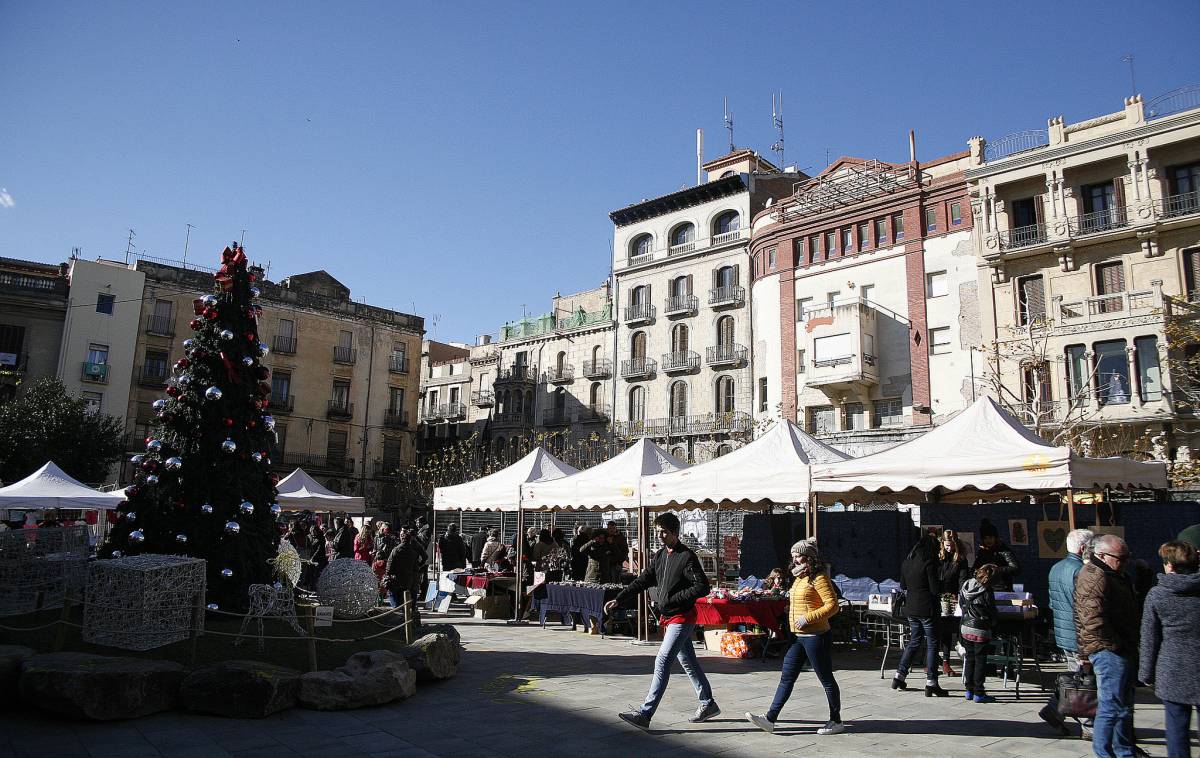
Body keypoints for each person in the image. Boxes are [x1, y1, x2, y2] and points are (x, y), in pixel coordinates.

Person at [605, 512, 719, 730]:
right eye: (658, 531)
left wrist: (675, 599)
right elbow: (642, 581)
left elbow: (702, 586)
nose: (660, 535)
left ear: (675, 532)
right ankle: (707, 703)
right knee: (688, 661)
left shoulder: (687, 556)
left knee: (662, 660)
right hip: (671, 617)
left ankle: (645, 713)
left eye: (664, 531)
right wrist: (619, 599)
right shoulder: (660, 556)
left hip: (682, 616)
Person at [746, 539, 844, 735]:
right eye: (793, 557)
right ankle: (770, 718)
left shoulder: (819, 577)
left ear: (809, 557)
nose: (795, 560)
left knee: (826, 678)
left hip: (816, 635)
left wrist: (807, 617)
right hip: (798, 636)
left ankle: (836, 721)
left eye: (798, 556)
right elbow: (804, 601)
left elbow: (832, 605)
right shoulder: (798, 578)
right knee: (786, 677)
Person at [1076, 533, 1139, 757]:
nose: (1124, 562)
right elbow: (1091, 620)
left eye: (1126, 557)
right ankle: (1105, 753)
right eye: (1120, 558)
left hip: (1121, 646)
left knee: (1122, 707)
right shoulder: (1095, 576)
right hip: (1109, 650)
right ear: (1101, 555)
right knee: (1111, 708)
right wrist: (1115, 646)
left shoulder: (1113, 573)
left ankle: (1124, 751)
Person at [1140, 540, 1200, 758]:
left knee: (1176, 729)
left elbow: (1149, 637)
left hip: (1172, 668)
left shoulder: (1158, 594)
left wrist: (1145, 673)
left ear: (1170, 565)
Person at [1040, 528, 1095, 735]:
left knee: (1075, 676)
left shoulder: (1056, 568)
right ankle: (1088, 724)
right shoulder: (1081, 571)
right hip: (1079, 633)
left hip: (1064, 631)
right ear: (1083, 548)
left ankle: (1054, 708)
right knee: (1085, 681)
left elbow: (1053, 603)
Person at [892, 533, 948, 697]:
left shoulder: (907, 562)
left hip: (912, 608)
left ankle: (899, 675)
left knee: (914, 641)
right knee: (932, 643)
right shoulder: (929, 563)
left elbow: (903, 584)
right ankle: (931, 682)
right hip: (927, 608)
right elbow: (934, 589)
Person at [959, 564, 999, 703]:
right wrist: (993, 622)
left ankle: (969, 690)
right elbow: (992, 611)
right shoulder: (987, 591)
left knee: (969, 658)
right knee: (980, 661)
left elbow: (961, 603)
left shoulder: (967, 585)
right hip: (980, 628)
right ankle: (979, 692)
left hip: (965, 626)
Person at [936, 529, 970, 676]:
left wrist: (959, 597)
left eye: (951, 546)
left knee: (947, 630)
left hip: (951, 597)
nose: (949, 548)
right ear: (942, 544)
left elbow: (962, 581)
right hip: (937, 595)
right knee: (935, 630)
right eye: (946, 545)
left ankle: (946, 661)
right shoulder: (939, 557)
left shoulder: (960, 559)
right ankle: (931, 660)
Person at [384, 530, 422, 628]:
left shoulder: (396, 550)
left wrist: (388, 575)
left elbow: (389, 566)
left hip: (396, 580)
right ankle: (405, 623)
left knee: (395, 602)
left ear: (401, 539)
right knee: (405, 604)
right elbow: (416, 568)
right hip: (408, 581)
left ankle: (398, 622)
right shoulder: (413, 553)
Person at [973, 518, 1019, 591]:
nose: (988, 540)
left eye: (990, 537)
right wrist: (978, 572)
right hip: (985, 587)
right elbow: (974, 569)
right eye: (985, 538)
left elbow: (1015, 568)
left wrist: (997, 570)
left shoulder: (1004, 550)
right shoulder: (982, 552)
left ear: (995, 538)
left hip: (1002, 588)